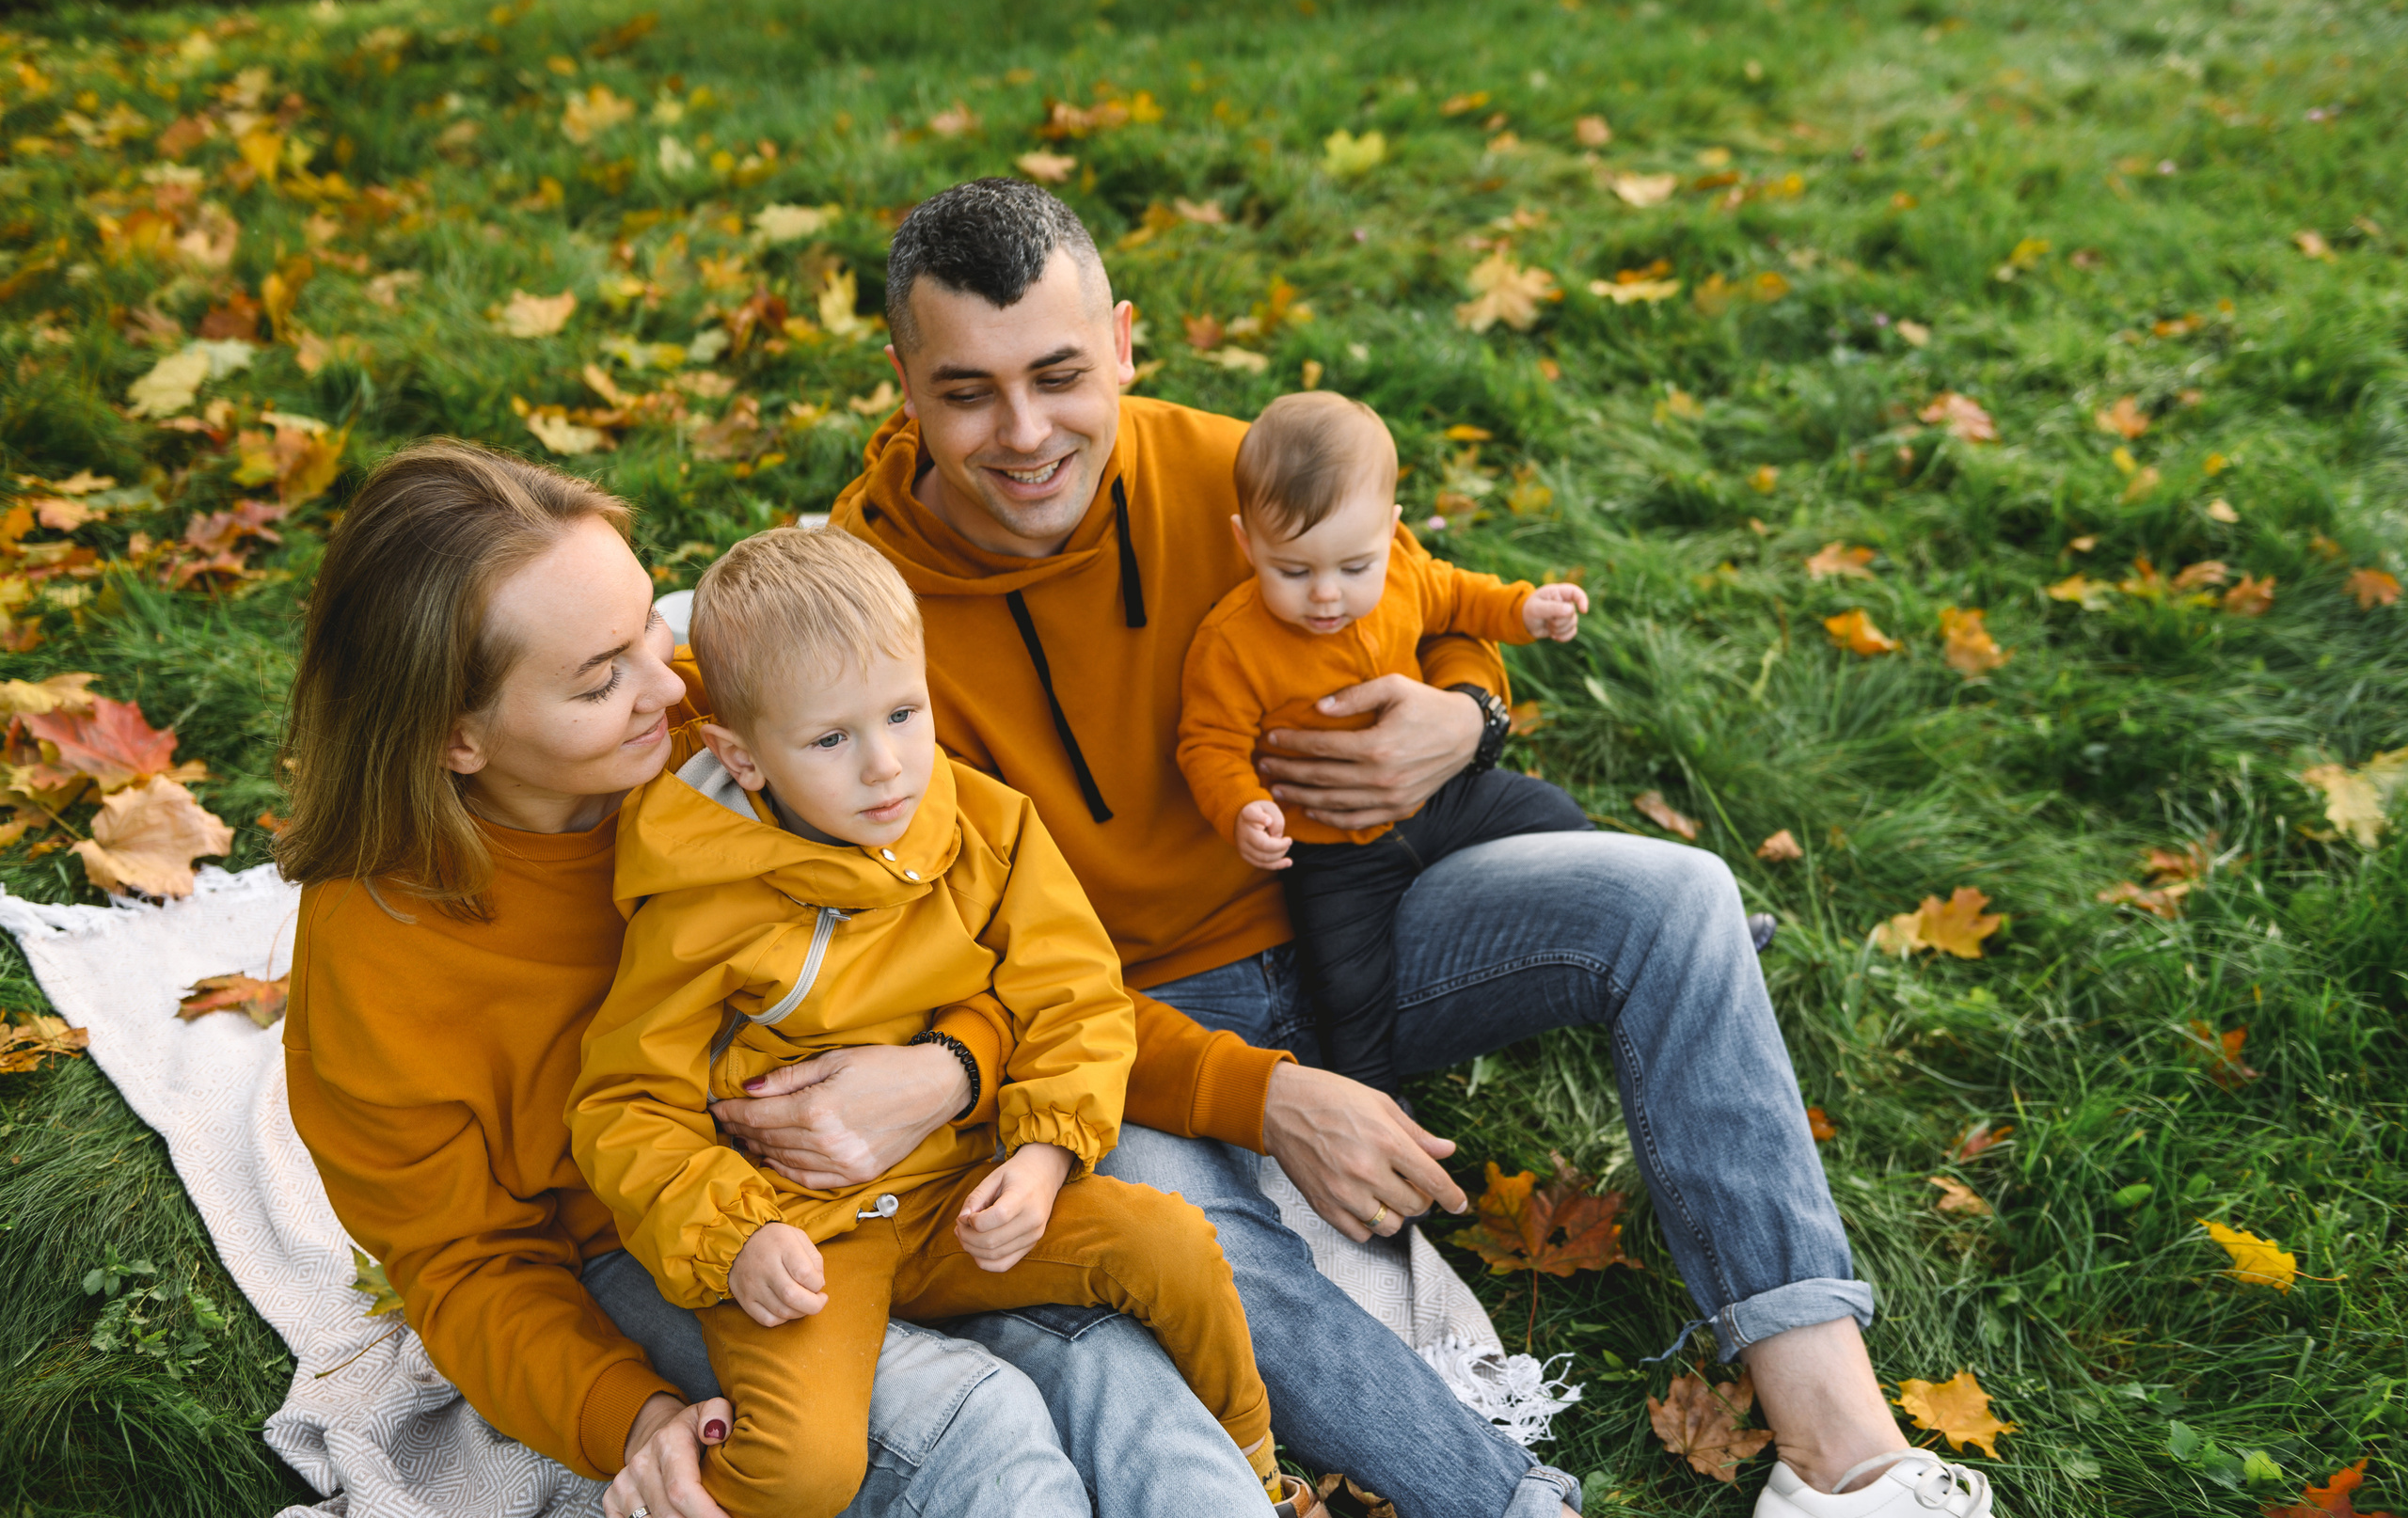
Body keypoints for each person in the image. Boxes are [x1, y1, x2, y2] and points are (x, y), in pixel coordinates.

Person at [788, 176, 1999, 1518]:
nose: (1025, 434)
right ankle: (1511, 1503)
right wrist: (1263, 1100)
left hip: (1359, 915)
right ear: (902, 380)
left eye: (1061, 376)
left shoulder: (1233, 472)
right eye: (967, 393)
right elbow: (971, 980)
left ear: (1124, 344)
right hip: (1113, 1038)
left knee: (1678, 898)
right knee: (1177, 1244)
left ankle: (1840, 1452)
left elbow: (1425, 602)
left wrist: (1464, 719)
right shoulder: (858, 624)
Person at [277, 443, 1275, 1518]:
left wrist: (953, 1068)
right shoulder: (377, 958)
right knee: (978, 1426)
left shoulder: (751, 731)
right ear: (456, 739)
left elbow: (1015, 936)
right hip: (654, 1243)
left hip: (914, 1178)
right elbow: (466, 1267)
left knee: (1120, 1368)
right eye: (601, 678)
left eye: (650, 627)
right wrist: (629, 1417)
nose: (669, 685)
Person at [568, 525, 1289, 1515]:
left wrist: (1043, 1156)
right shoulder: (699, 901)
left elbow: (1074, 991)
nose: (886, 768)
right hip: (805, 1236)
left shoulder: (986, 825)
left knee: (1174, 1245)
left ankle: (1258, 1466)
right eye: (831, 740)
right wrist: (734, 1240)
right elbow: (627, 1105)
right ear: (743, 757)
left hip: (964, 1196)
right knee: (804, 1470)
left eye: (904, 713)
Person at [1178, 390, 1592, 1095]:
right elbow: (1208, 743)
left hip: (1441, 795)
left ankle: (1639, 922)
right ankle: (1377, 1104)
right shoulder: (1233, 643)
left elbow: (1459, 597)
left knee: (1556, 820)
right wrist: (1242, 807)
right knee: (1347, 990)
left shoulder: (1400, 574)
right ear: (1247, 544)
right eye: (1294, 571)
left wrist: (1525, 608)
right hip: (1331, 851)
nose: (1327, 596)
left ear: (1391, 531)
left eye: (1353, 568)